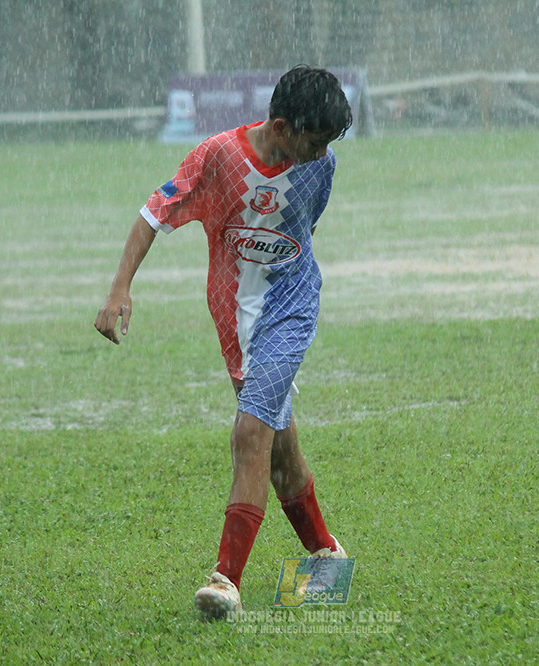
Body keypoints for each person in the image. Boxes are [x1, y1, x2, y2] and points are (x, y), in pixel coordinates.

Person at [94, 65, 353, 620]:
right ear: (280, 125)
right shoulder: (218, 158)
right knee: (280, 451)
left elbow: (304, 233)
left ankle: (225, 582)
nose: (320, 154)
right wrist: (120, 289)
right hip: (235, 320)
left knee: (250, 431)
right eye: (312, 142)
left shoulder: (320, 167)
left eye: (327, 145)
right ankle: (327, 556)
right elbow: (153, 214)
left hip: (290, 309)